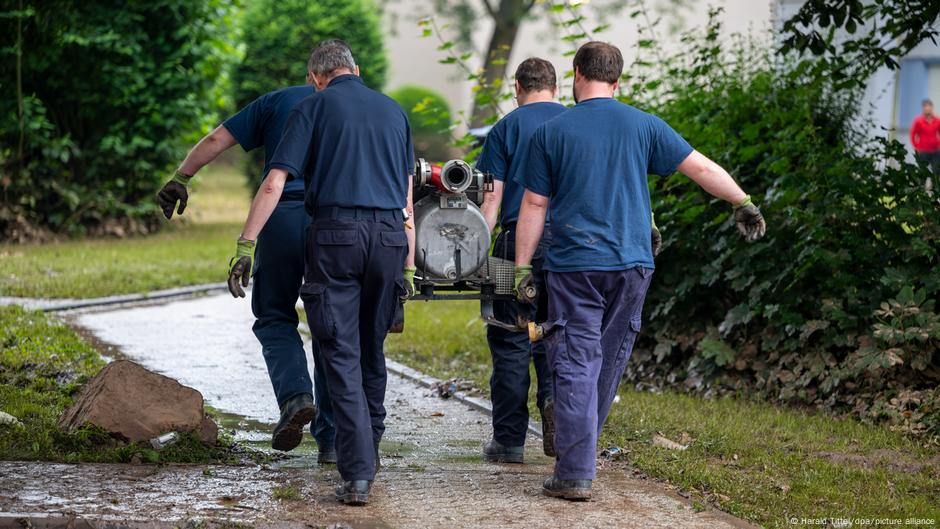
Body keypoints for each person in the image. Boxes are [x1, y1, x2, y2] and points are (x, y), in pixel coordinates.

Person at [513, 41, 766, 501]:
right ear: (618, 80)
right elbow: (701, 167)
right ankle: (579, 451)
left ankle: (574, 470)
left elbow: (534, 204)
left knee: (575, 360)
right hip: (632, 264)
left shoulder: (551, 132)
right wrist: (742, 201)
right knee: (606, 359)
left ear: (575, 74)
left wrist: (520, 268)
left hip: (575, 266)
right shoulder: (644, 125)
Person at [232, 39, 415, 506]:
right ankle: (368, 451)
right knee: (371, 349)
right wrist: (410, 263)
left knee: (339, 351)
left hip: (337, 237)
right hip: (391, 237)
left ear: (316, 77)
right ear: (356, 68)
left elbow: (276, 180)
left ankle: (357, 475)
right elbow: (407, 196)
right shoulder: (394, 111)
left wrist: (247, 243)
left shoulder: (313, 107)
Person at [155, 60, 336, 461]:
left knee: (274, 314)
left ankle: (295, 396)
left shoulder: (276, 102)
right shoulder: (356, 108)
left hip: (282, 216)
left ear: (312, 74)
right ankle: (334, 440)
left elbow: (217, 139)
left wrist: (181, 178)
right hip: (337, 223)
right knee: (332, 322)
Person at [476, 57, 565, 463]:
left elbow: (490, 200)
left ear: (517, 87)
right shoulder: (573, 124)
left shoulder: (504, 129)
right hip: (569, 246)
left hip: (512, 243)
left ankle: (509, 442)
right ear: (557, 87)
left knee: (508, 335)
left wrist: (479, 250)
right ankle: (554, 405)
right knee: (556, 333)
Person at [911, 99, 940, 175]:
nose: (927, 109)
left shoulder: (937, 120)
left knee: (937, 171)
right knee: (923, 172)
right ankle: (922, 186)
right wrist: (916, 146)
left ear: (931, 108)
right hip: (923, 151)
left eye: (929, 106)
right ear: (923, 108)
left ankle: (935, 186)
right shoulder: (918, 121)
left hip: (936, 150)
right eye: (925, 107)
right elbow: (913, 134)